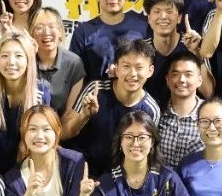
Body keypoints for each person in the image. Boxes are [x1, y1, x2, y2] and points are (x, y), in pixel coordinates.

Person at [63, 37, 161, 172]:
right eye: (126, 66)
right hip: (83, 168)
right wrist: (84, 116)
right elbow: (65, 132)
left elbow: (145, 155)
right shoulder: (95, 90)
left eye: (139, 68)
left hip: (120, 176)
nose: (133, 74)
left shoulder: (151, 110)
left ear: (150, 71)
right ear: (116, 68)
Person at [0, 31, 50, 174]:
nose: (11, 62)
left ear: (28, 61)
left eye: (18, 56)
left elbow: (41, 139)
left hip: (24, 171)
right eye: (4, 56)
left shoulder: (40, 93)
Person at [69, 0, 150, 84]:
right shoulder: (83, 32)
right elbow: (75, 76)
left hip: (134, 93)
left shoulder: (142, 28)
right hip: (96, 94)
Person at [143, 0, 201, 110]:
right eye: (157, 11)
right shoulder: (141, 51)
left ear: (179, 17)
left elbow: (208, 92)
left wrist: (196, 52)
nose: (163, 16)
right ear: (148, 18)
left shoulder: (191, 44)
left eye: (169, 11)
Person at [31, 6, 85, 118]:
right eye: (39, 27)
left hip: (62, 125)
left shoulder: (73, 63)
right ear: (32, 33)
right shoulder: (25, 61)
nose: (46, 32)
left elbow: (71, 114)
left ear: (60, 31)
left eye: (52, 27)